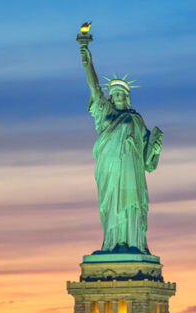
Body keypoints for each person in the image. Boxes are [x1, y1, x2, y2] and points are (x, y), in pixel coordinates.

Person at [80, 45, 162, 254]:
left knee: (131, 203)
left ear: (126, 97)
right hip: (109, 167)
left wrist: (155, 149)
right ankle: (112, 242)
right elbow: (94, 88)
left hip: (130, 170)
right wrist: (88, 63)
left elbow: (146, 158)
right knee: (111, 204)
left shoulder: (135, 119)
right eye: (114, 92)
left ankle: (133, 243)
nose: (116, 95)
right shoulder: (104, 112)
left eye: (120, 93)